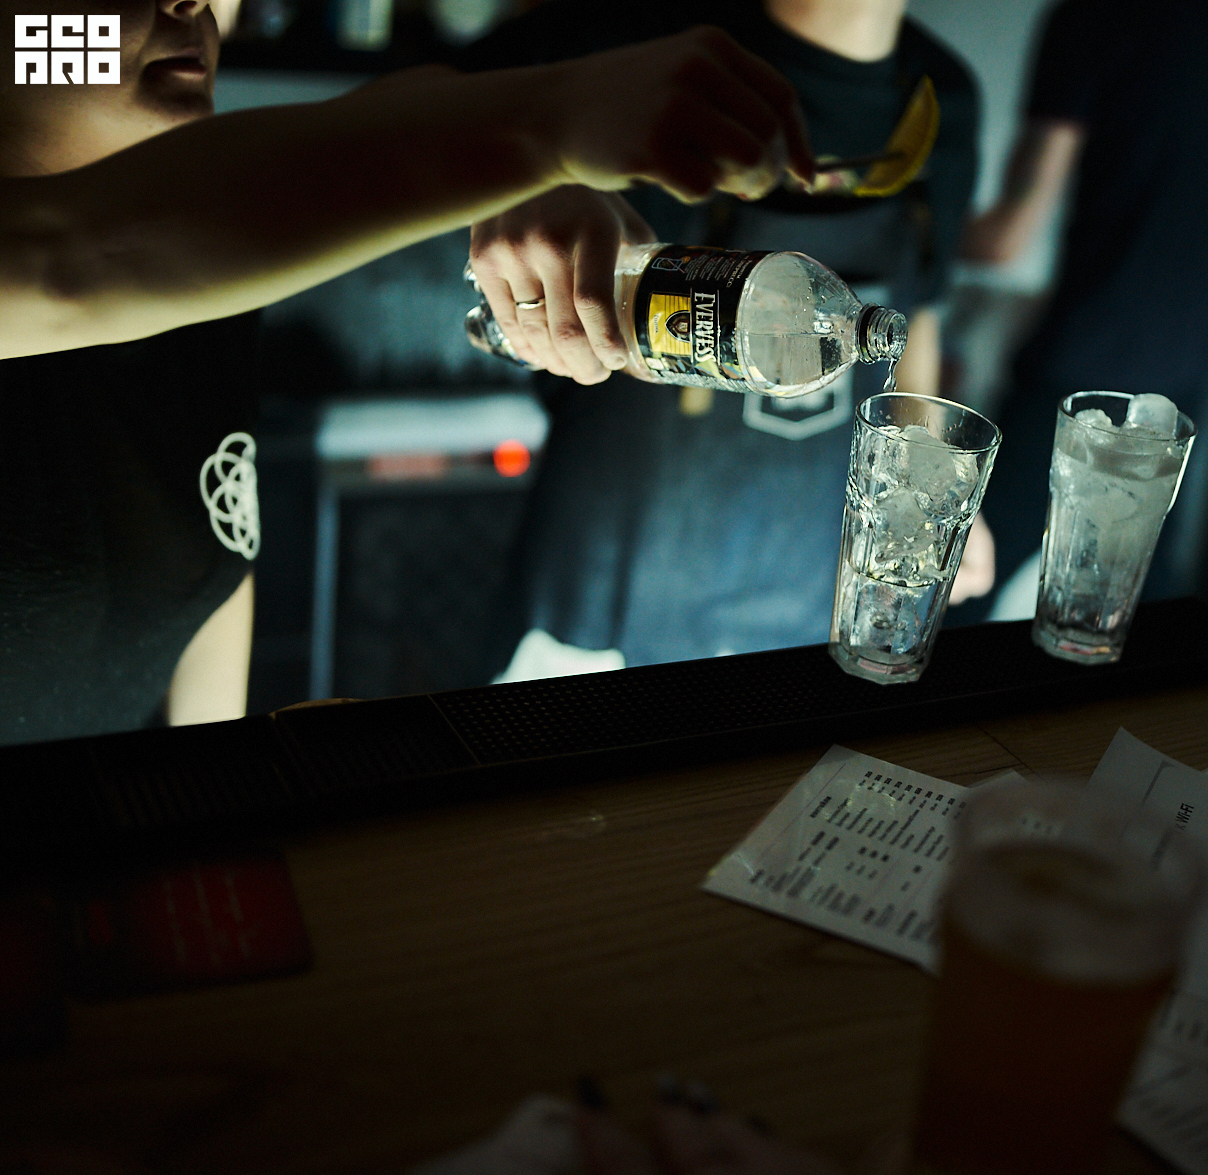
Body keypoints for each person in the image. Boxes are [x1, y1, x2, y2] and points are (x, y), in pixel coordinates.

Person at [0, 0, 814, 745]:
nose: (195, 3)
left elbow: (205, 569)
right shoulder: (86, 262)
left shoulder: (210, 285)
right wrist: (534, 132)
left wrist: (515, 177)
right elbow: (70, 259)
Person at [455, 0, 984, 679]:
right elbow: (419, 127)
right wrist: (514, 177)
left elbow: (917, 315)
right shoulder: (632, 44)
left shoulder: (940, 99)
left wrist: (928, 488)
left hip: (803, 579)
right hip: (605, 584)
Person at [947, 0, 1208, 621]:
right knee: (1140, 583)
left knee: (967, 569)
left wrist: (905, 224)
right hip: (1188, 352)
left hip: (1091, 349)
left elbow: (1006, 237)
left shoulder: (1089, 19)